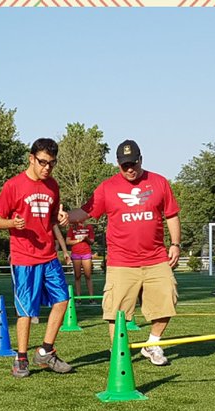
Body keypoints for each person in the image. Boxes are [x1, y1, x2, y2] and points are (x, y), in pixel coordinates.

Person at [64, 139, 181, 366]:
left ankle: (153, 344)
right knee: (115, 311)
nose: (129, 169)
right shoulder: (107, 187)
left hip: (156, 258)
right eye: (124, 165)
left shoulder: (159, 182)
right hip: (121, 261)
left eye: (133, 163)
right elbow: (86, 211)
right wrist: (66, 216)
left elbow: (172, 215)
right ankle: (118, 352)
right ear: (118, 164)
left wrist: (175, 244)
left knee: (168, 299)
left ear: (141, 159)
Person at [0, 138, 74, 378]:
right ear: (31, 158)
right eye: (42, 162)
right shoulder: (13, 186)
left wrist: (61, 218)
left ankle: (46, 351)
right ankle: (21, 359)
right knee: (26, 310)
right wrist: (11, 223)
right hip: (24, 258)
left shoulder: (53, 186)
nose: (47, 168)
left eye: (52, 163)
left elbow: (52, 220)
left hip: (48, 255)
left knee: (62, 300)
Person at [67, 212, 98, 299]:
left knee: (88, 275)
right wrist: (78, 241)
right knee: (77, 276)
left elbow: (91, 241)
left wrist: (86, 238)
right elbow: (68, 241)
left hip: (86, 253)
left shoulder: (89, 227)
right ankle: (78, 298)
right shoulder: (72, 228)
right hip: (76, 253)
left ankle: (91, 298)